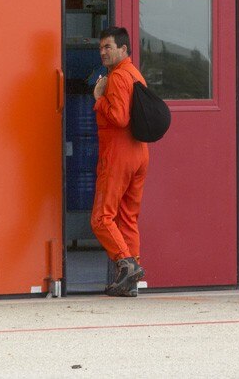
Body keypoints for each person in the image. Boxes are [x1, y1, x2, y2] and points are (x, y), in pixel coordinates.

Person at [91, 25, 149, 296]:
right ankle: (130, 284)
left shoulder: (116, 78)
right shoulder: (135, 74)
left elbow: (118, 118)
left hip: (118, 153)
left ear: (123, 49)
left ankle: (126, 265)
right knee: (128, 218)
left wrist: (99, 98)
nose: (103, 52)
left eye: (108, 47)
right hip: (139, 152)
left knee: (102, 218)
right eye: (101, 47)